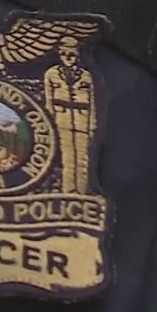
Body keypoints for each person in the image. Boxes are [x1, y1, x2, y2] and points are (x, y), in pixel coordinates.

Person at [43, 36, 95, 194]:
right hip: (61, 121)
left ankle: (81, 192)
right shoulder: (51, 74)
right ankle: (68, 191)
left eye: (71, 54)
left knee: (82, 159)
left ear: (77, 54)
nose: (68, 58)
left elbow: (92, 103)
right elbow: (49, 101)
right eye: (64, 54)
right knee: (67, 159)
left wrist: (92, 126)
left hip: (81, 121)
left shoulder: (86, 76)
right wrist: (50, 124)